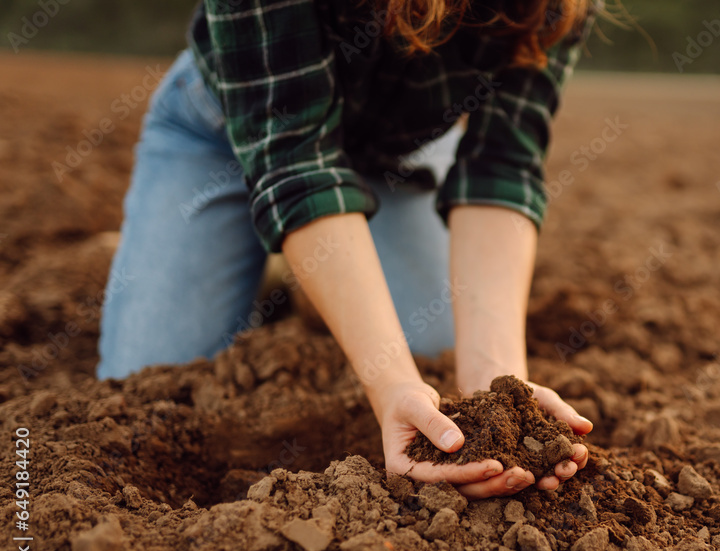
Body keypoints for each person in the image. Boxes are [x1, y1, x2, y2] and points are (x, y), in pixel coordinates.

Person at [98, 0, 594, 499]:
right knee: (144, 387)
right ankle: (252, 245)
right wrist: (390, 384)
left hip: (391, 155)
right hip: (224, 133)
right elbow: (296, 162)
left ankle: (296, 268)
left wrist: (500, 392)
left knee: (434, 335)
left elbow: (501, 165)